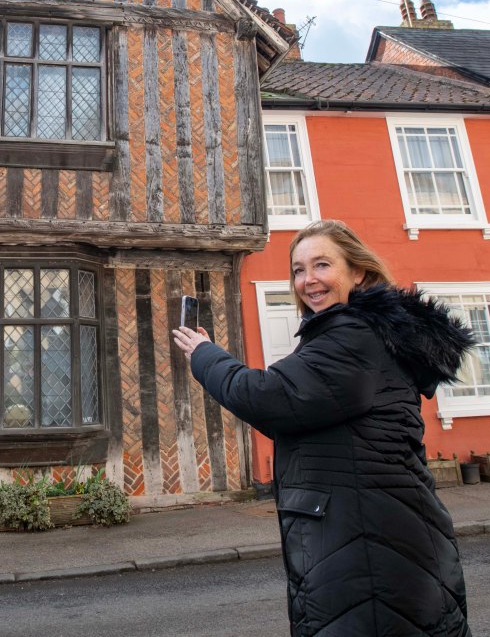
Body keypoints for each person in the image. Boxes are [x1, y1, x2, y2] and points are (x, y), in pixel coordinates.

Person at [171, 219, 473, 636]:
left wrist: (203, 355)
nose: (308, 280)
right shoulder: (359, 334)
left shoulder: (353, 336)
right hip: (373, 541)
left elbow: (267, 396)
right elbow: (292, 402)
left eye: (322, 265)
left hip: (368, 552)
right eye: (298, 269)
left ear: (358, 271)